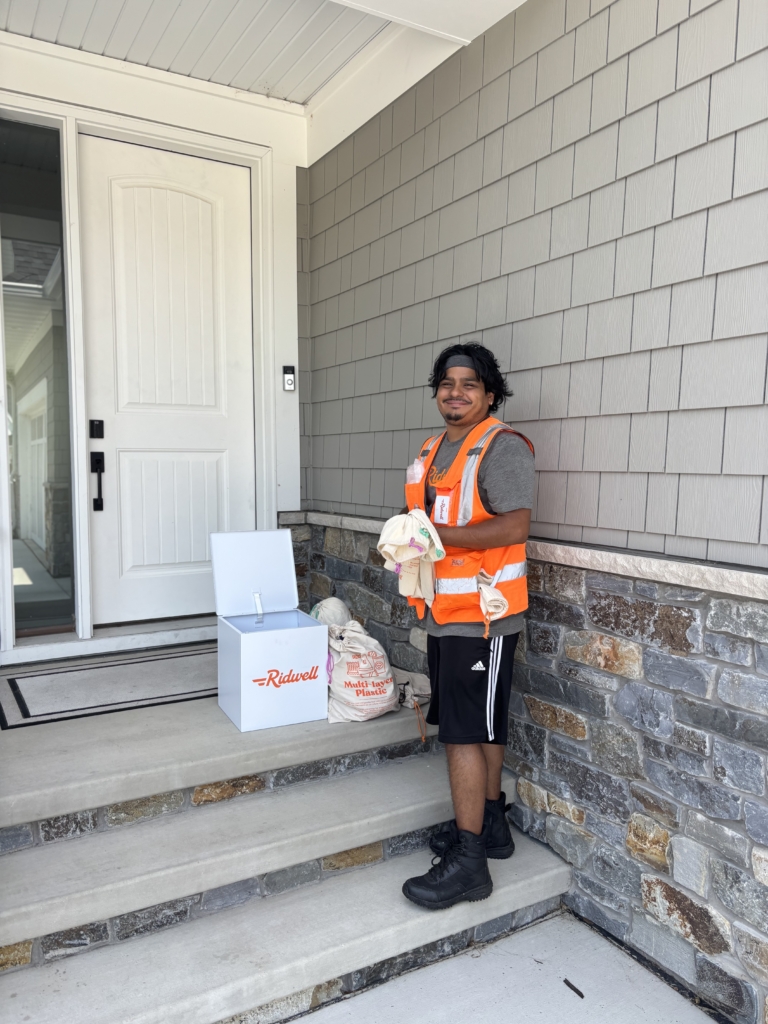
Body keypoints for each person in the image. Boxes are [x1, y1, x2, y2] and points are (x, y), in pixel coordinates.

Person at [400, 341, 534, 910]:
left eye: (469, 385)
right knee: (478, 727)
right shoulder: (433, 449)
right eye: (447, 383)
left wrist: (433, 537)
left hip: (482, 618)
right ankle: (492, 826)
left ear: (490, 394)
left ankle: (469, 863)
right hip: (444, 614)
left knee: (461, 733)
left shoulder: (500, 448)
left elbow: (514, 528)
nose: (456, 393)